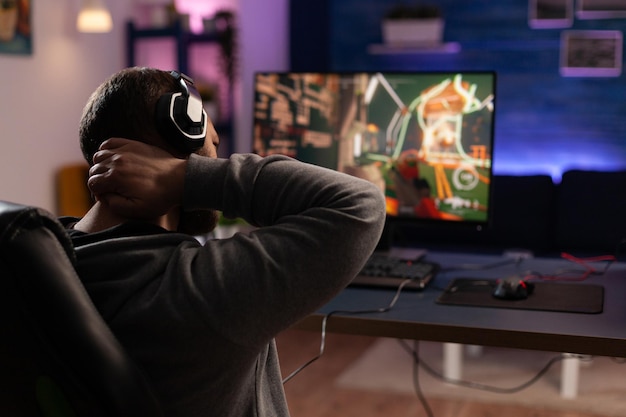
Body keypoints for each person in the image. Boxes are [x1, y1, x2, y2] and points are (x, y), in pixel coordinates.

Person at [60, 67, 386, 417]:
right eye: (213, 145)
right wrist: (183, 177)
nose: (218, 153)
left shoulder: (39, 259)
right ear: (184, 135)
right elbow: (359, 204)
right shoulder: (198, 289)